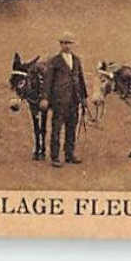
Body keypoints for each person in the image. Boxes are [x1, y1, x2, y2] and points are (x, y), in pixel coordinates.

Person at [40, 33, 88, 167]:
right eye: (64, 43)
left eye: (69, 43)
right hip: (59, 100)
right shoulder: (54, 61)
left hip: (74, 99)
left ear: (72, 45)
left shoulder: (77, 60)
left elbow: (81, 79)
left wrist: (84, 97)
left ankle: (69, 154)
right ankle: (55, 157)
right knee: (56, 128)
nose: (66, 45)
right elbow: (48, 81)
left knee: (71, 128)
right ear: (60, 44)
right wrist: (45, 98)